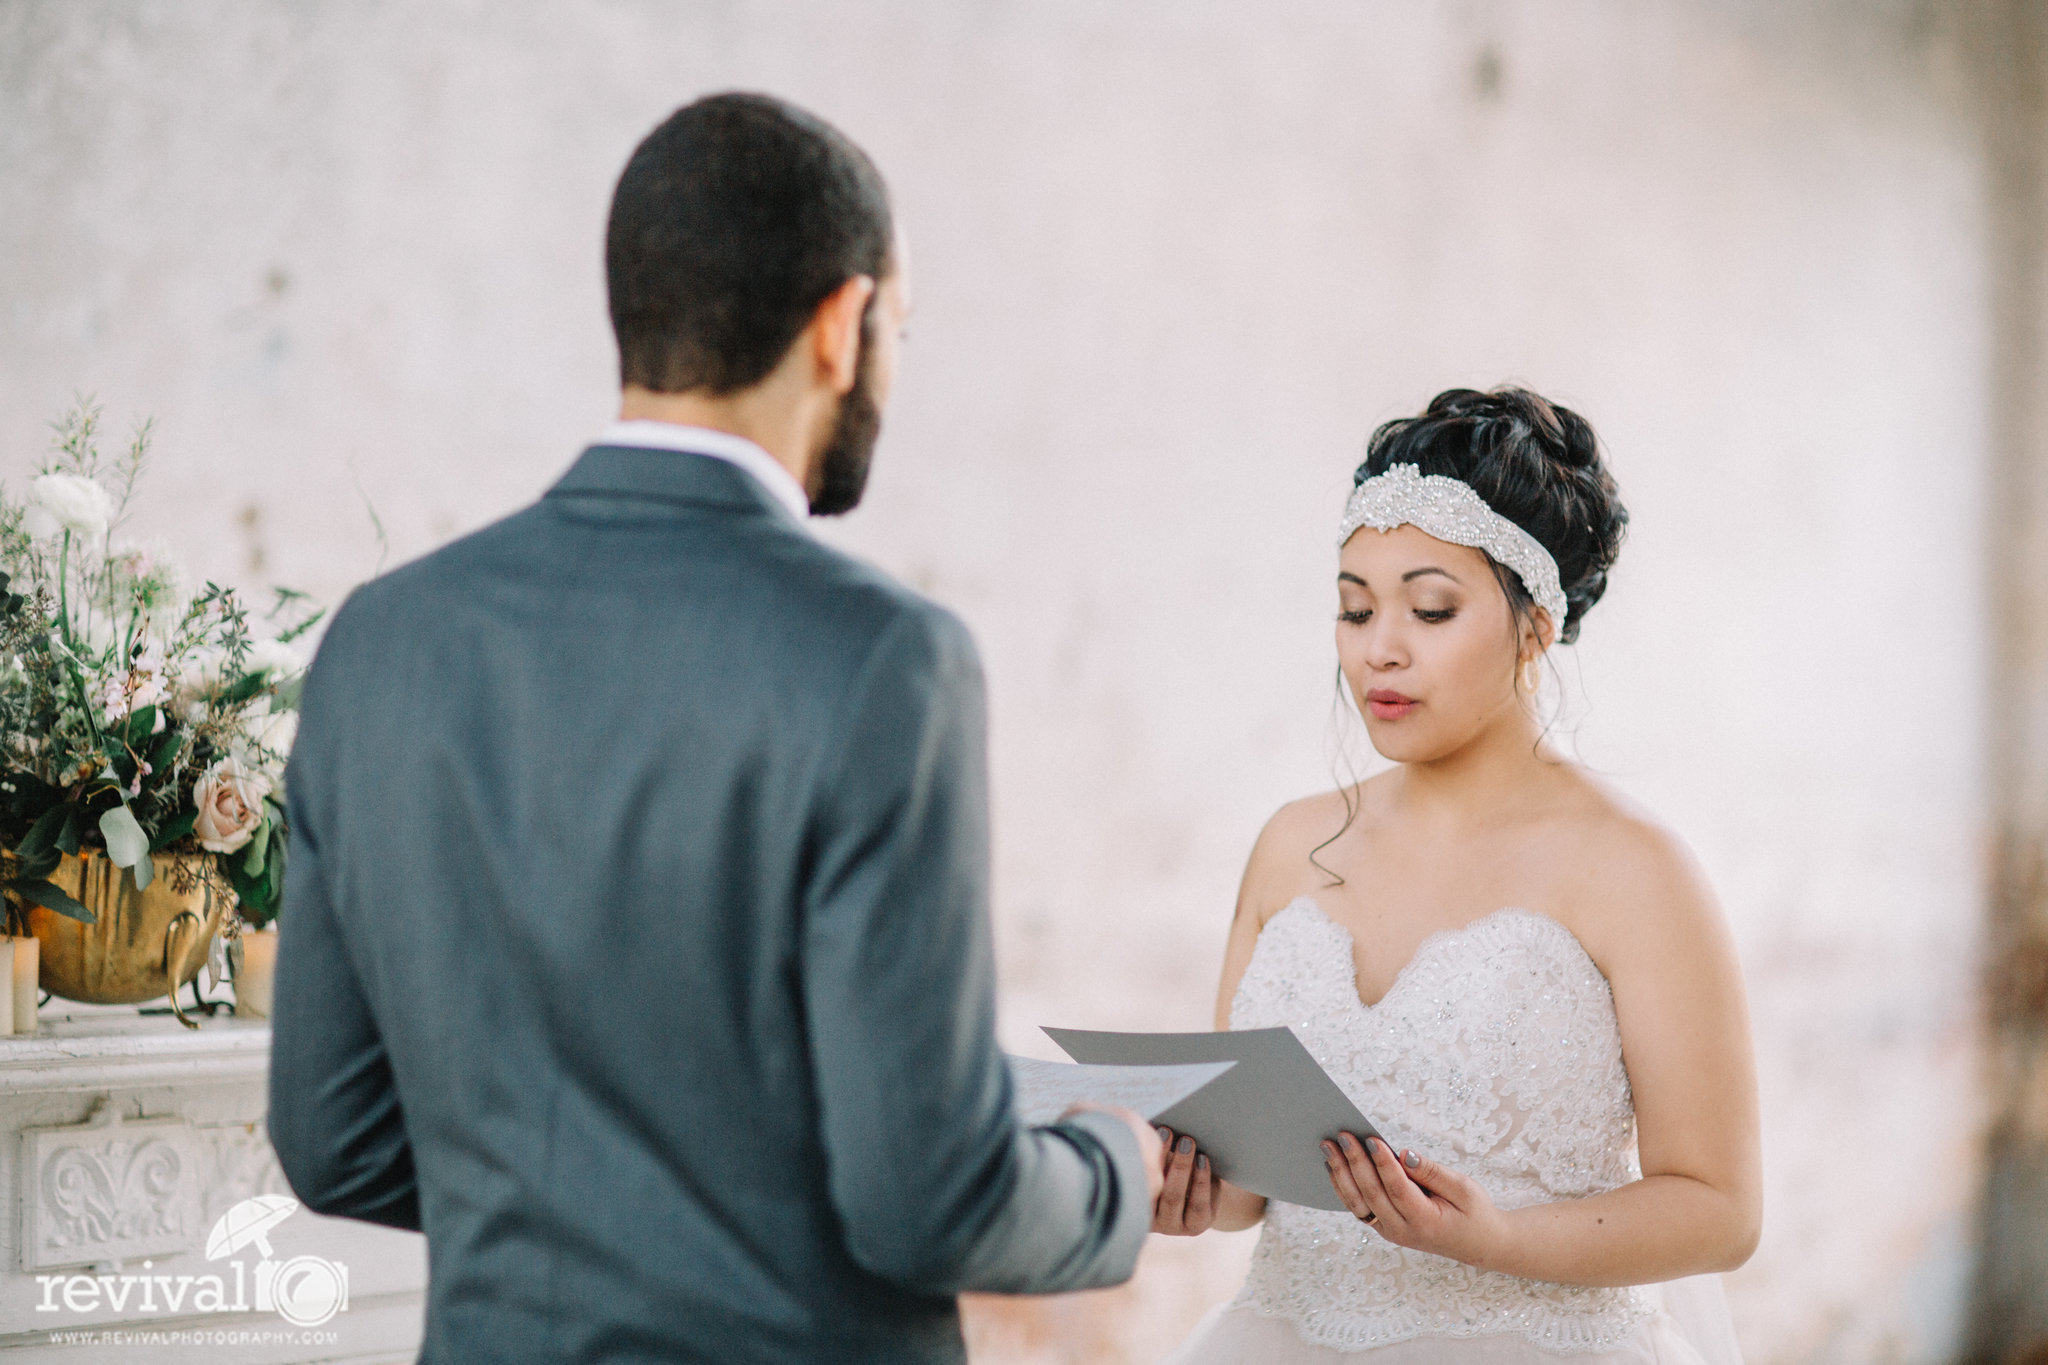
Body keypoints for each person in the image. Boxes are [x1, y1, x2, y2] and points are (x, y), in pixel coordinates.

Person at [266, 91, 1162, 1364]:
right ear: (841, 327)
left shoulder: (379, 641)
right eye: (898, 329)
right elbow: (925, 1199)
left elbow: (334, 1139)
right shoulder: (882, 659)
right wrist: (1110, 1170)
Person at [1153, 387, 1759, 1364]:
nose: (1377, 649)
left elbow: (1720, 1209)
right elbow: (1242, 1182)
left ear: (1533, 625)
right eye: (1353, 609)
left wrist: (1500, 1242)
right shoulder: (1287, 846)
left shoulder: (1633, 867)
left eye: (1429, 608)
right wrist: (1179, 1183)